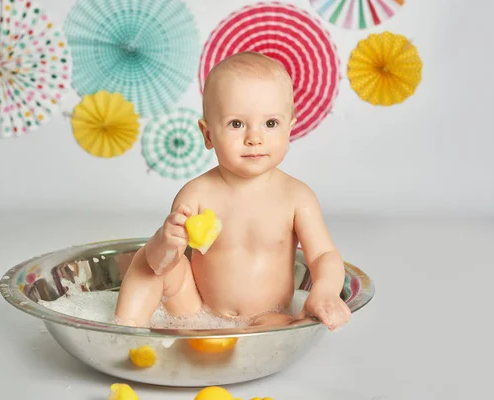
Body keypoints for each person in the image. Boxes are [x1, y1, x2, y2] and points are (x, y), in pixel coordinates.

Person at [114, 51, 351, 331]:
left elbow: (323, 255)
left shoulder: (297, 198)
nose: (254, 138)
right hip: (193, 307)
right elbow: (162, 263)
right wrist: (166, 243)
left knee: (278, 328)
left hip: (268, 314)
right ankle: (124, 330)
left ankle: (238, 344)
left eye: (271, 123)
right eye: (236, 124)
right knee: (147, 260)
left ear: (289, 129)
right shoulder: (196, 194)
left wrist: (324, 291)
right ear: (208, 135)